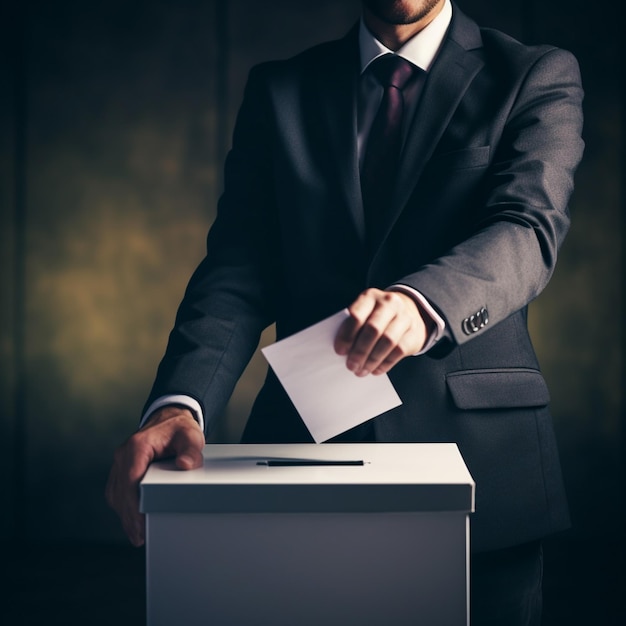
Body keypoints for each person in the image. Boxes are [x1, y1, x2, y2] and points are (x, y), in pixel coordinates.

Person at [106, 1, 584, 623]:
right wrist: (179, 402)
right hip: (300, 459)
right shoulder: (280, 90)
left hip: (483, 470)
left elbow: (528, 228)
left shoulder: (535, 74)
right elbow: (238, 269)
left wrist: (423, 303)